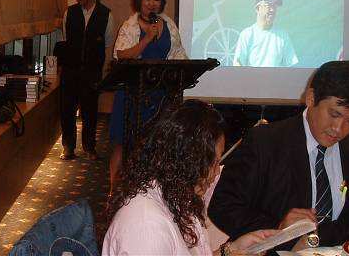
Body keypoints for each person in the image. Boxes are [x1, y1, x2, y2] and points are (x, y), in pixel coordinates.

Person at [208, 61, 349, 248]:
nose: (338, 129)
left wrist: (314, 237)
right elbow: (223, 206)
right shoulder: (265, 142)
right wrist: (280, 229)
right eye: (334, 115)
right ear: (311, 98)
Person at [103, 100, 277, 256]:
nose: (217, 172)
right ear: (188, 161)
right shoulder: (147, 227)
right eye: (214, 163)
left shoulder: (176, 197)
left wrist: (233, 249)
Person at [109, 0, 187, 190]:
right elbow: (121, 55)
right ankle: (114, 191)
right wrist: (147, 39)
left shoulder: (169, 24)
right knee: (122, 143)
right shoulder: (130, 25)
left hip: (160, 95)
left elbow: (178, 54)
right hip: (132, 93)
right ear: (139, 1)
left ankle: (151, 191)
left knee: (157, 143)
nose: (152, 4)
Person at [59, 0, 114, 160]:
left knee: (90, 110)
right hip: (70, 69)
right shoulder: (69, 13)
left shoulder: (106, 14)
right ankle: (68, 147)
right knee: (67, 110)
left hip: (92, 71)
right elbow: (66, 39)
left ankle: (89, 147)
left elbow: (107, 43)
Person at [232, 0, 298, 67]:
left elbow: (291, 67)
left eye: (274, 6)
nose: (272, 10)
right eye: (268, 5)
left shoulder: (283, 36)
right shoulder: (246, 34)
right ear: (257, 8)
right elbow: (237, 64)